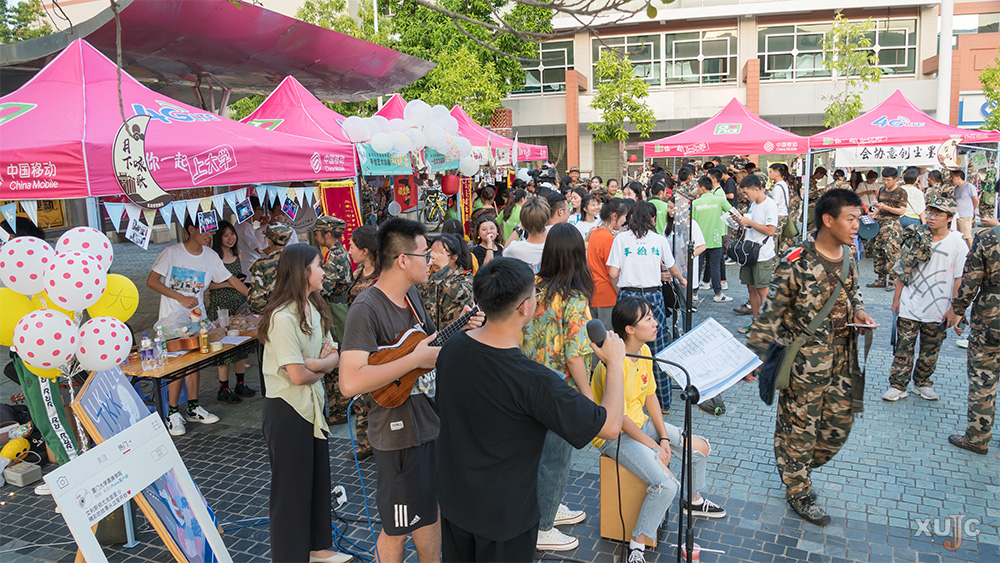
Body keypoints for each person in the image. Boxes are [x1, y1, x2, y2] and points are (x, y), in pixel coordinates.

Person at [435, 257, 626, 563]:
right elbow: (610, 427)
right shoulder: (533, 380)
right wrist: (615, 364)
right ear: (525, 307)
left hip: (455, 501)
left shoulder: (454, 346)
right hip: (505, 517)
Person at [339, 218, 483, 563]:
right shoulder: (366, 308)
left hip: (428, 423)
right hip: (397, 434)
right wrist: (413, 360)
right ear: (402, 260)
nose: (430, 261)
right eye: (424, 254)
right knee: (397, 526)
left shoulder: (412, 296)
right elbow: (350, 382)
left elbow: (427, 348)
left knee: (429, 511)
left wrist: (462, 327)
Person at [747, 188, 876, 526]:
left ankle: (796, 466)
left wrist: (859, 311)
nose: (856, 225)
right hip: (804, 365)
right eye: (851, 218)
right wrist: (752, 359)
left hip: (842, 360)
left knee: (837, 425)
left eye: (858, 219)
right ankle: (798, 489)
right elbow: (770, 314)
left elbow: (853, 291)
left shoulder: (849, 254)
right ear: (828, 220)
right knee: (799, 430)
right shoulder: (796, 262)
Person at [591, 297, 726, 563]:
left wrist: (663, 437)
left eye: (653, 316)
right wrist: (655, 447)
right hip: (614, 435)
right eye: (649, 319)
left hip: (640, 424)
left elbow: (650, 395)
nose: (656, 323)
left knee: (699, 448)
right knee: (666, 485)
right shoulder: (612, 363)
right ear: (629, 329)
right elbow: (621, 420)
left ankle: (693, 500)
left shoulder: (644, 350)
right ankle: (637, 544)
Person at [258, 245, 351, 563]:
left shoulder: (314, 306)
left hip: (313, 407)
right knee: (290, 489)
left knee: (317, 479)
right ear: (302, 272)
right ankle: (290, 555)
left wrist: (315, 364)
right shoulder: (281, 318)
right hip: (287, 409)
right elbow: (297, 375)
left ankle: (318, 547)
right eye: (318, 265)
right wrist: (320, 366)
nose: (324, 271)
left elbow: (334, 355)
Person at [520, 224, 596, 552]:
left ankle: (550, 506)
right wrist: (588, 397)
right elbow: (574, 354)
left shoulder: (532, 287)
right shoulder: (574, 298)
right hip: (560, 390)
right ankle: (544, 527)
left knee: (536, 457)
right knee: (556, 459)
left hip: (527, 383)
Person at [147, 216, 249, 436]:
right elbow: (152, 281)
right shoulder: (171, 252)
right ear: (190, 229)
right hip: (172, 321)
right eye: (205, 230)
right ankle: (172, 413)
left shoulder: (210, 255)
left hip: (198, 320)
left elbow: (231, 279)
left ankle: (193, 407)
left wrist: (254, 297)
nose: (209, 235)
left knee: (194, 363)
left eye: (211, 231)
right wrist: (180, 297)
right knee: (177, 366)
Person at [883, 197, 967, 402]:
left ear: (949, 218)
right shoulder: (915, 237)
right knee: (903, 348)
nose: (932, 217)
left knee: (930, 350)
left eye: (938, 214)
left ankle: (922, 383)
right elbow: (902, 270)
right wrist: (896, 299)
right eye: (930, 213)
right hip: (910, 302)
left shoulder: (957, 243)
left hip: (939, 306)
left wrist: (954, 309)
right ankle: (898, 385)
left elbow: (959, 279)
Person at [608, 201, 686, 412]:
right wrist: (682, 280)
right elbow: (672, 268)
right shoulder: (659, 240)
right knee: (658, 348)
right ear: (652, 219)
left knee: (624, 346)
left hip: (628, 295)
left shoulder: (621, 239)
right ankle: (664, 403)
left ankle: (623, 401)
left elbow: (613, 273)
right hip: (653, 296)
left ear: (631, 218)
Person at [945, 222, 1000, 455]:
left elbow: (971, 280)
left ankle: (977, 438)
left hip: (990, 318)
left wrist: (959, 310)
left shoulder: (988, 238)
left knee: (983, 379)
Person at [207, 220, 256, 404]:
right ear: (218, 237)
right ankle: (223, 388)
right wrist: (229, 283)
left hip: (237, 304)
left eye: (232, 234)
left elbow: (236, 279)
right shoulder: (213, 257)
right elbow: (208, 285)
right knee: (224, 348)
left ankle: (240, 383)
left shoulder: (238, 253)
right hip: (220, 306)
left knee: (240, 345)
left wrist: (236, 283)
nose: (230, 238)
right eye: (225, 235)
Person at [344, 224, 378, 459]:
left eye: (352, 246)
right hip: (356, 341)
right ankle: (364, 443)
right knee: (360, 395)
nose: (349, 250)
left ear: (365, 250)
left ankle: (377, 441)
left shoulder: (383, 276)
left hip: (374, 342)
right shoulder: (358, 272)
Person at [732, 174, 778, 334]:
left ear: (757, 189)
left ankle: (768, 327)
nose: (745, 197)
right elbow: (751, 227)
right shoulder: (753, 205)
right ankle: (756, 322)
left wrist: (749, 222)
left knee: (763, 290)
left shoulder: (770, 205)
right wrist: (740, 222)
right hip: (749, 252)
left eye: (746, 193)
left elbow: (771, 230)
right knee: (751, 287)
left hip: (762, 254)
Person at [587, 199, 628, 328]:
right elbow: (613, 274)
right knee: (609, 334)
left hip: (594, 292)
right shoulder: (608, 239)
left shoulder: (596, 233)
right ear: (614, 216)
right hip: (607, 296)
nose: (625, 220)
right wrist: (621, 296)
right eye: (624, 216)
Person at [692, 176, 733, 303]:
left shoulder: (695, 203)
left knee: (697, 266)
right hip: (715, 238)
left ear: (702, 188)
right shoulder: (719, 200)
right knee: (715, 266)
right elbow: (732, 212)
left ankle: (694, 293)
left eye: (698, 187)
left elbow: (691, 221)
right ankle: (718, 294)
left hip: (699, 241)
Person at [420, 233, 475, 328]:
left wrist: (444, 269)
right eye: (433, 254)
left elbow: (463, 296)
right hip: (431, 335)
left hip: (456, 334)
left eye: (441, 255)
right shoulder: (429, 279)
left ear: (455, 257)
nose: (435, 259)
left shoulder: (466, 277)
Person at [867, 167, 908, 289]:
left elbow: (902, 211)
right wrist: (874, 213)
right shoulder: (881, 190)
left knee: (891, 253)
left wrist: (886, 207)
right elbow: (879, 206)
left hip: (892, 225)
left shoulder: (901, 192)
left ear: (895, 179)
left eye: (888, 180)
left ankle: (892, 280)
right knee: (878, 251)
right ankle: (880, 279)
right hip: (880, 224)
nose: (885, 182)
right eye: (884, 179)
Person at [248, 223, 294, 314]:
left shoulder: (261, 265)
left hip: (275, 315)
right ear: (288, 240)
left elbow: (256, 303)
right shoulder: (299, 259)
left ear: (268, 240)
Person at [504, 196, 550, 273]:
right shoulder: (554, 248)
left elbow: (505, 250)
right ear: (547, 219)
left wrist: (519, 227)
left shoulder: (514, 248)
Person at [234, 196, 264, 278]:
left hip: (248, 265)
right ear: (252, 210)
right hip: (251, 266)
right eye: (261, 209)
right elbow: (259, 249)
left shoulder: (239, 224)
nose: (263, 212)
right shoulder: (246, 227)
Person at [953, 170, 978, 249]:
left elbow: (975, 199)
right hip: (958, 215)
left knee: (967, 236)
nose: (951, 179)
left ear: (958, 177)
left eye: (952, 177)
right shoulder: (956, 188)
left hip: (966, 215)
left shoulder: (969, 187)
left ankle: (972, 252)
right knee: (958, 236)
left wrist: (973, 209)